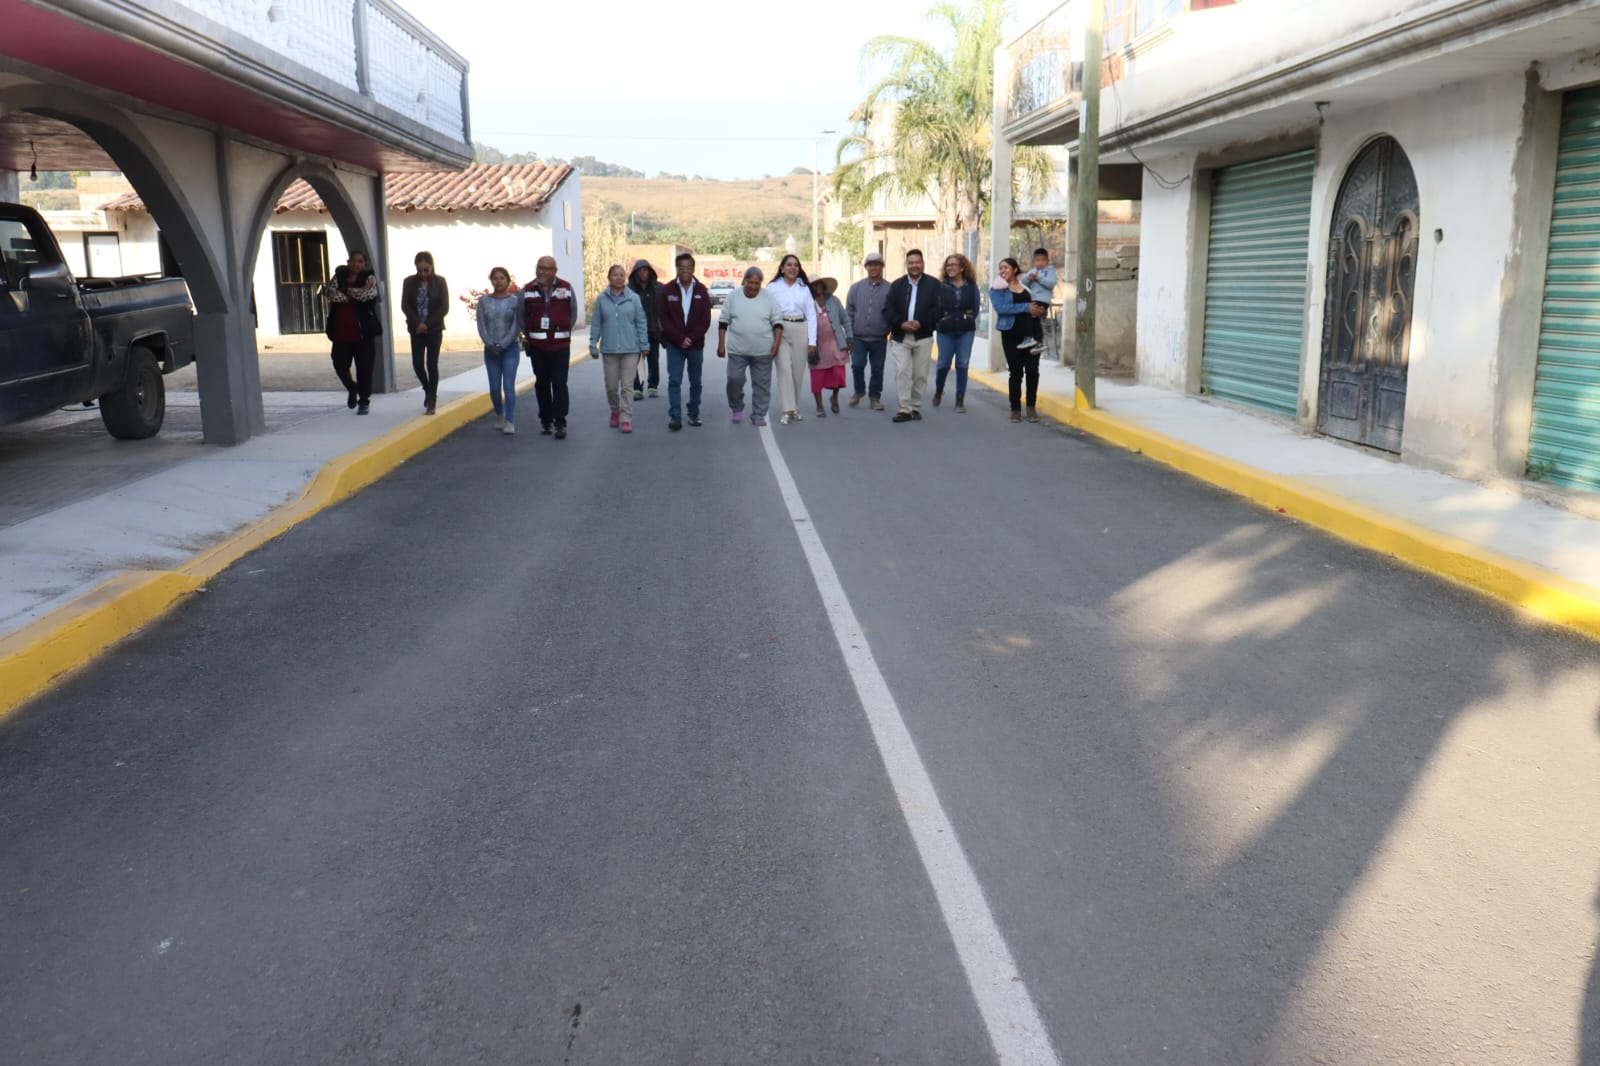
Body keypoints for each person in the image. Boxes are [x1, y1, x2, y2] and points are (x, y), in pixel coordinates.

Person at [521, 256, 578, 439]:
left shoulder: (566, 288)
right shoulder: (527, 290)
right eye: (539, 268)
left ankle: (560, 421)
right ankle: (546, 420)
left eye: (546, 269)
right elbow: (520, 316)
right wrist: (530, 334)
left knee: (560, 383)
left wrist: (562, 328)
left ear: (554, 270)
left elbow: (573, 312)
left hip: (560, 345)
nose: (541, 272)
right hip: (537, 346)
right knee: (542, 383)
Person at [718, 266, 782, 427]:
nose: (753, 286)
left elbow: (778, 322)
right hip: (737, 350)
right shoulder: (733, 296)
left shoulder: (769, 298)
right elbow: (723, 321)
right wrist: (721, 344)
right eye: (750, 282)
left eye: (757, 283)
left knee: (761, 385)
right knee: (734, 379)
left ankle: (759, 414)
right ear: (744, 281)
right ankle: (736, 407)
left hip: (763, 351)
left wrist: (776, 343)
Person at [589, 264, 648, 433]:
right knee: (612, 386)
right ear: (609, 278)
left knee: (628, 386)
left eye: (621, 274)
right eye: (614, 274)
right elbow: (596, 324)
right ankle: (615, 410)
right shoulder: (602, 299)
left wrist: (644, 345)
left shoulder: (633, 298)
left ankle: (626, 417)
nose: (618, 277)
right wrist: (593, 343)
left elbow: (641, 322)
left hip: (631, 349)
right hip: (609, 350)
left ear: (625, 278)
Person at [657, 252, 712, 431]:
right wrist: (680, 339)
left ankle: (693, 415)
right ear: (677, 269)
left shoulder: (702, 290)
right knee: (674, 380)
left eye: (689, 268)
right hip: (675, 345)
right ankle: (675, 417)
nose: (685, 271)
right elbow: (664, 320)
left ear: (693, 269)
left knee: (696, 381)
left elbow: (705, 320)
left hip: (695, 345)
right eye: (682, 268)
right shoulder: (667, 290)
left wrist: (691, 338)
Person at [323, 249, 382, 415]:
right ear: (348, 262)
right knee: (339, 363)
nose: (356, 264)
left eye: (360, 261)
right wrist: (346, 294)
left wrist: (348, 293)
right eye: (353, 260)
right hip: (341, 333)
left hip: (363, 333)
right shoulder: (338, 277)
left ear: (364, 264)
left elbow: (367, 295)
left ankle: (364, 401)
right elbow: (330, 293)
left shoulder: (369, 279)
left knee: (364, 368)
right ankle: (352, 388)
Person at [992, 257, 1047, 423]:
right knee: (1015, 372)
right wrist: (1026, 308)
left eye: (1005, 267)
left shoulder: (1027, 287)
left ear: (1015, 269)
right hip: (1011, 334)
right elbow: (1001, 308)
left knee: (1032, 370)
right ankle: (1015, 409)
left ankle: (1031, 407)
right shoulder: (997, 289)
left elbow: (1040, 302)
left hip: (1033, 333)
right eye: (1000, 268)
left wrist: (1039, 310)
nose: (1002, 271)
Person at [884, 249, 935, 423]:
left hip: (923, 335)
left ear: (923, 263)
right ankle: (904, 409)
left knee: (920, 374)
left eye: (917, 262)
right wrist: (900, 323)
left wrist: (921, 322)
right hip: (901, 336)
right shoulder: (896, 285)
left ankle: (915, 407)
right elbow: (887, 310)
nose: (914, 265)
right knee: (902, 371)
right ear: (906, 265)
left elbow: (938, 310)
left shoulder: (933, 285)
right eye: (911, 262)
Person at [767, 253, 817, 426]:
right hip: (780, 330)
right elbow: (766, 312)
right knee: (784, 371)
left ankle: (794, 408)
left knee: (797, 373)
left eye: (796, 265)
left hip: (800, 329)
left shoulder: (804, 288)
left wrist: (813, 341)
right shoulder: (772, 287)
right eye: (789, 265)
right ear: (782, 268)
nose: (792, 268)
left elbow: (811, 315)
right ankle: (787, 410)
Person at [400, 250, 449, 414]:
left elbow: (444, 307)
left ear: (431, 267)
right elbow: (405, 305)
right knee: (417, 363)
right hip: (416, 330)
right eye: (419, 270)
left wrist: (427, 324)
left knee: (432, 363)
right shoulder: (408, 282)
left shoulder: (440, 282)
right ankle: (427, 389)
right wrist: (417, 324)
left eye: (425, 270)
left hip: (434, 329)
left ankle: (432, 399)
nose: (422, 274)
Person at [476, 266, 521, 435]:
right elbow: (481, 324)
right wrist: (489, 344)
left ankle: (510, 420)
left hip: (510, 349)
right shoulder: (484, 301)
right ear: (491, 280)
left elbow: (516, 326)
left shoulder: (515, 301)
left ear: (508, 281)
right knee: (495, 388)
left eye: (502, 278)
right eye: (495, 278)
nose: (499, 281)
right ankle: (499, 414)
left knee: (508, 386)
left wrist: (503, 344)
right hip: (490, 351)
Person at [933, 253, 979, 413]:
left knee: (962, 364)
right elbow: (935, 308)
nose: (950, 267)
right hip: (945, 331)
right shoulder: (941, 286)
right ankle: (939, 389)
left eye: (954, 265)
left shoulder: (971, 286)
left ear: (962, 268)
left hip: (966, 331)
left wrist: (966, 317)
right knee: (943, 364)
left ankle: (960, 399)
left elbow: (976, 308)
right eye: (948, 265)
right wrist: (942, 319)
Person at [845, 251, 890, 410]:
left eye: (877, 264)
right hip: (859, 338)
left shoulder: (889, 289)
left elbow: (892, 312)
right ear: (866, 267)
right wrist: (849, 335)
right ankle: (859, 391)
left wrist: (887, 328)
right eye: (870, 264)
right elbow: (849, 312)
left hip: (879, 338)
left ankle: (875, 398)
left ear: (882, 267)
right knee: (857, 366)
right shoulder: (856, 288)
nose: (873, 267)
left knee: (877, 369)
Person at [809, 277, 850, 418]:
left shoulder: (834, 300)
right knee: (817, 377)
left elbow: (845, 319)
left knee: (838, 375)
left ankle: (834, 397)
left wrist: (850, 337)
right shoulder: (807, 303)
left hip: (835, 343)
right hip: (816, 346)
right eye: (814, 285)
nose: (818, 287)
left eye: (820, 284)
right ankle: (819, 406)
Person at [628, 259, 663, 399]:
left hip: (652, 331)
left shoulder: (659, 288)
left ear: (650, 272)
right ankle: (637, 387)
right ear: (636, 273)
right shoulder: (629, 290)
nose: (643, 273)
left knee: (653, 360)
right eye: (640, 271)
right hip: (634, 332)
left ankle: (653, 386)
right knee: (636, 361)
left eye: (646, 270)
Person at [1018, 247, 1057, 353]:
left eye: (1043, 260)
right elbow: (1024, 282)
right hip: (1034, 298)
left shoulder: (1050, 271)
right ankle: (1038, 342)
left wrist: (1039, 277)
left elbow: (1051, 283)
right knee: (1034, 319)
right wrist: (1029, 278)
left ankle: (1029, 337)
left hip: (1043, 299)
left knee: (1029, 315)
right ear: (1034, 261)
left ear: (1047, 261)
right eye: (1037, 260)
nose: (1040, 263)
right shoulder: (1033, 271)